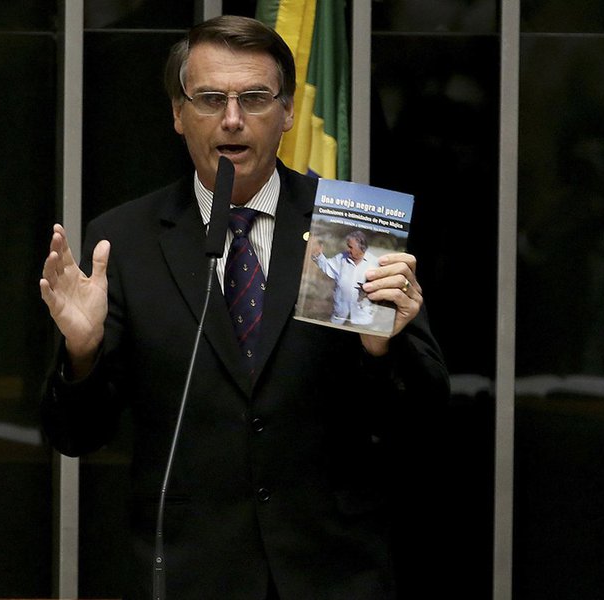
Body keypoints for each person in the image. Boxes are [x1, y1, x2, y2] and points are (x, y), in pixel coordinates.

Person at [39, 15, 449, 600]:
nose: (232, 119)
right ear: (178, 115)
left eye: (255, 98)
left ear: (286, 112)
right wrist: (81, 357)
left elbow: (422, 429)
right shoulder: (124, 240)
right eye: (210, 99)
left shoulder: (350, 229)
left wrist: (385, 351)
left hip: (331, 573)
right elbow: (77, 436)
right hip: (187, 572)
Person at [310, 229, 378, 326]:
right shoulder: (341, 258)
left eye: (350, 247)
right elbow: (327, 266)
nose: (347, 249)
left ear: (362, 248)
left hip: (363, 319)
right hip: (339, 316)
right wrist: (319, 256)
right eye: (348, 246)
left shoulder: (374, 263)